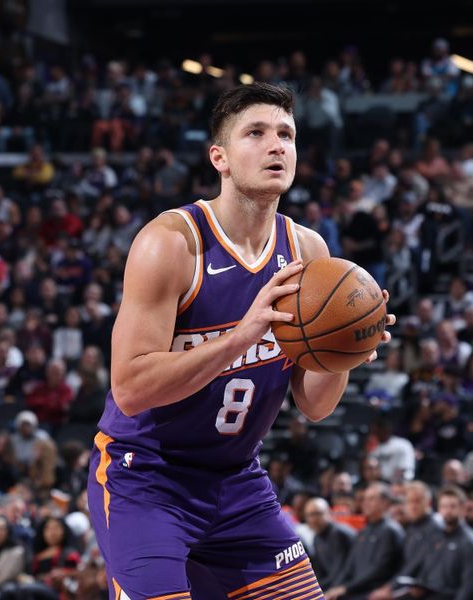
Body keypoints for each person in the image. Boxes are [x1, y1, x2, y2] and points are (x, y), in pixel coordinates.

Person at [87, 82, 395, 598]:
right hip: (146, 478)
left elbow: (314, 405)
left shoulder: (307, 250)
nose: (276, 145)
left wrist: (347, 347)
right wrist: (240, 336)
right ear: (220, 158)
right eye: (256, 133)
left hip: (236, 480)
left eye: (286, 135)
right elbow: (132, 389)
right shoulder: (171, 244)